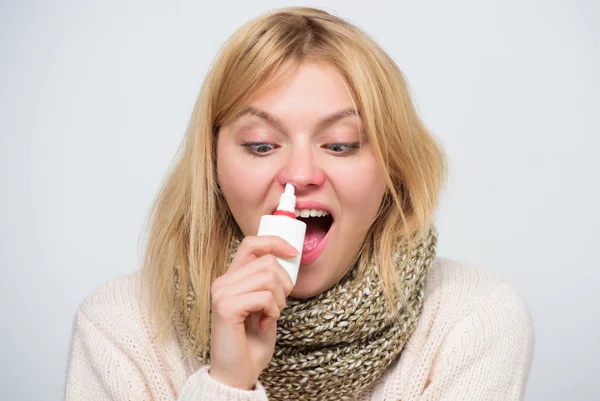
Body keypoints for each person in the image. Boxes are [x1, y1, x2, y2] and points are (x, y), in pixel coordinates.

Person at [65, 6, 534, 401]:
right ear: (213, 168)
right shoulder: (120, 328)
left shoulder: (471, 322)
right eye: (262, 145)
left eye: (341, 144)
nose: (300, 175)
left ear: (393, 169)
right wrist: (227, 382)